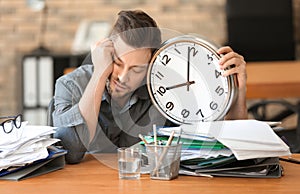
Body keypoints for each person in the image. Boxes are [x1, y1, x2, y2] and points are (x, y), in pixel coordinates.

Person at [52, 10, 247, 164]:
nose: (122, 77)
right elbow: (71, 152)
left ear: (151, 68)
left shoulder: (164, 93)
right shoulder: (70, 85)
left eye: (136, 69)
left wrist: (238, 90)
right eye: (118, 63)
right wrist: (99, 72)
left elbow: (221, 146)